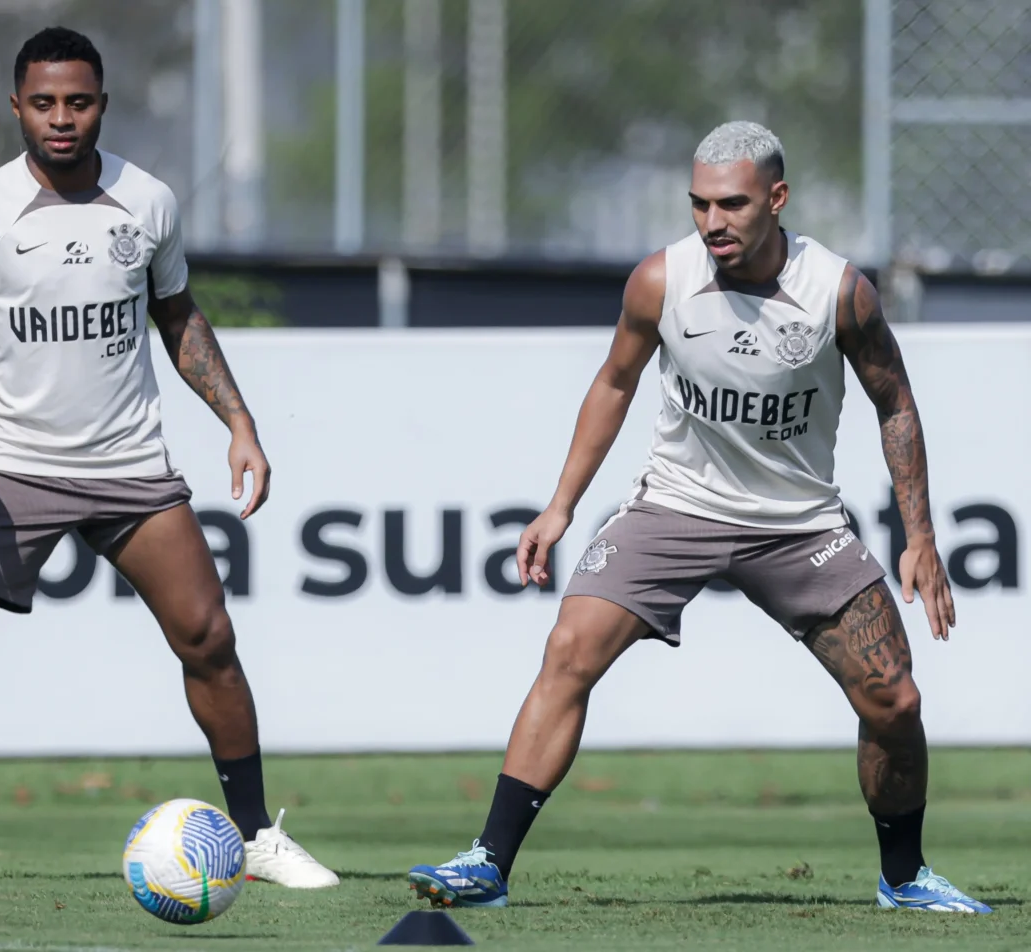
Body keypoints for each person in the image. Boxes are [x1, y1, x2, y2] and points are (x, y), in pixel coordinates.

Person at [407, 121, 990, 914]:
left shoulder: (839, 291)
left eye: (733, 204)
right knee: (569, 648)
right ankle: (487, 864)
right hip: (675, 506)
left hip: (800, 525)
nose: (713, 221)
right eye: (700, 204)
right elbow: (614, 382)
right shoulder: (661, 280)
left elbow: (895, 400)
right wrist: (560, 506)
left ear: (777, 200)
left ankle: (904, 876)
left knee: (895, 699)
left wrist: (920, 536)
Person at [0, 26, 338, 890]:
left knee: (210, 636)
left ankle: (254, 836)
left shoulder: (149, 201)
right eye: (45, 103)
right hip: (13, 468)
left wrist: (239, 422)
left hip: (129, 467)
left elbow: (179, 318)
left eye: (79, 102)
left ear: (102, 104)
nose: (63, 119)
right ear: (17, 106)